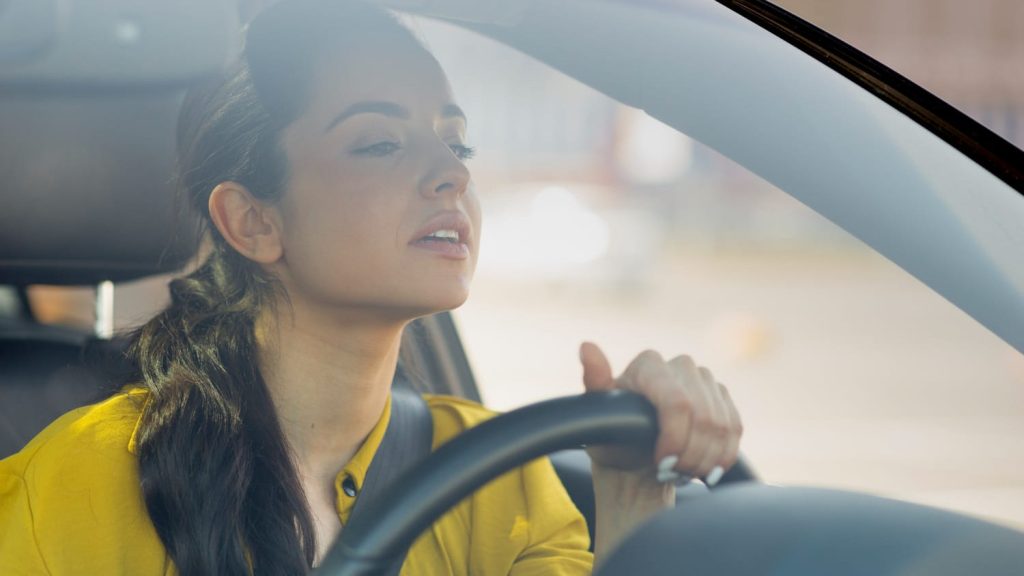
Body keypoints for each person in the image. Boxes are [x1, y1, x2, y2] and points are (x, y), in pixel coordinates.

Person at [0, 1, 743, 574]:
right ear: (252, 220)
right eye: (380, 143)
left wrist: (633, 495)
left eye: (457, 142)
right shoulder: (74, 484)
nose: (451, 174)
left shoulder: (500, 482)